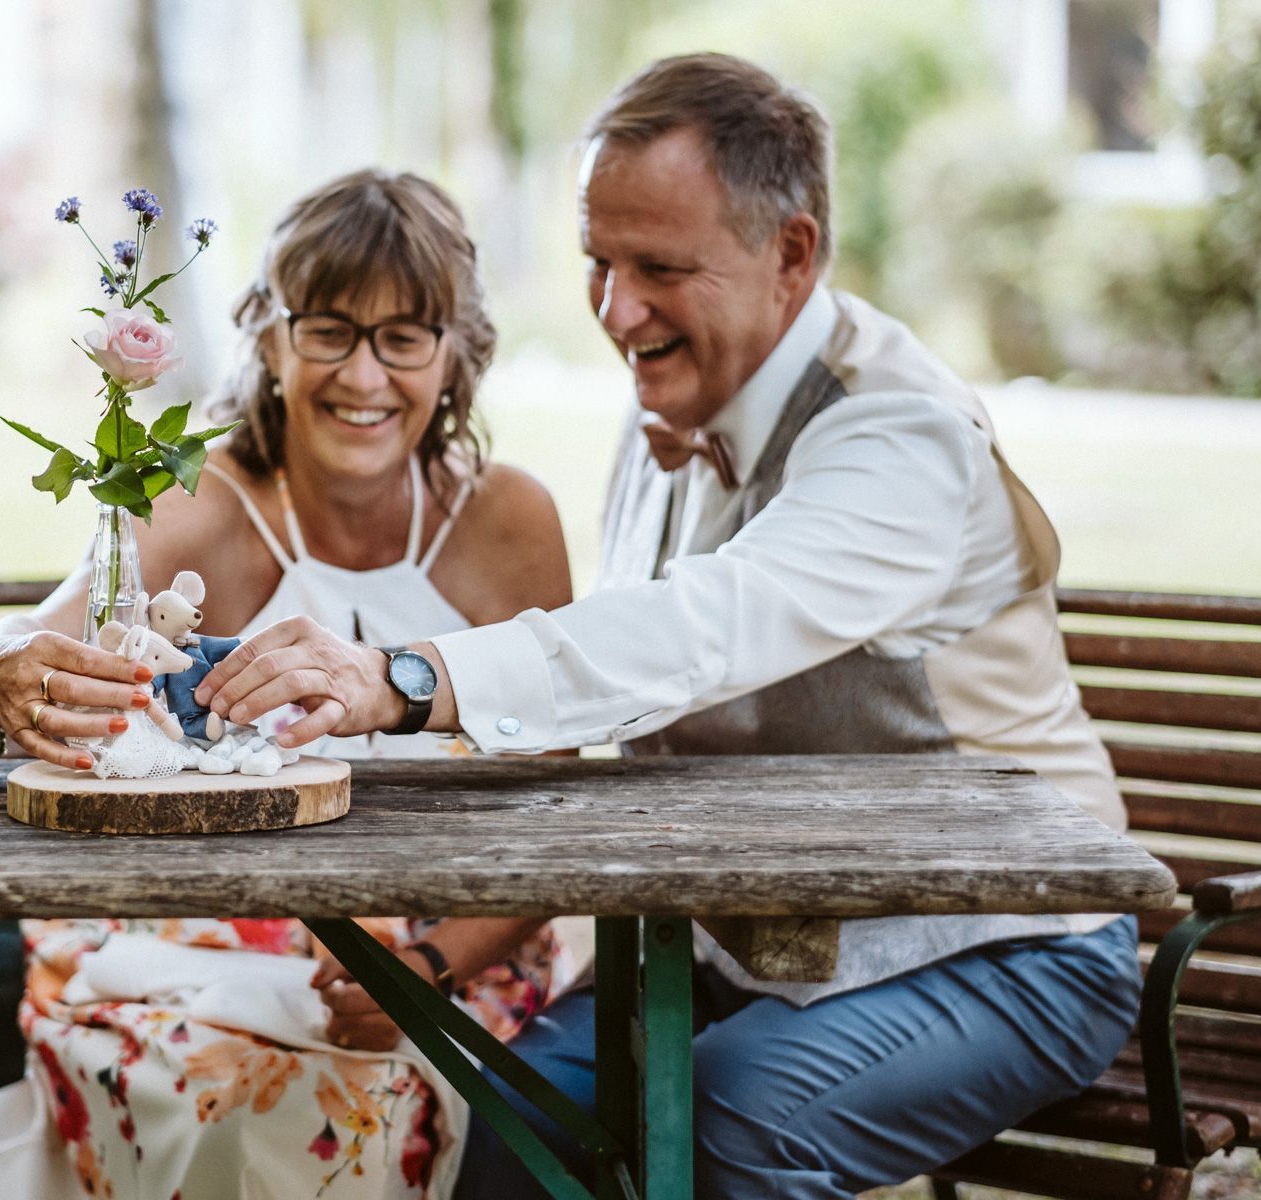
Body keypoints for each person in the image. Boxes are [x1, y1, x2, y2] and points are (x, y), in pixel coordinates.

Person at [195, 55, 1141, 1200]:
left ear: (791, 253)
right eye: (598, 263)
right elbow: (625, 707)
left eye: (658, 268)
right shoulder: (670, 416)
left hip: (999, 940)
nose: (614, 309)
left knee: (737, 1124)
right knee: (513, 1114)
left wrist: (399, 674)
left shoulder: (898, 436)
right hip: (740, 946)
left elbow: (706, 626)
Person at [0, 170, 575, 1199]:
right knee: (224, 1093)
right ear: (269, 338)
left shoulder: (511, 522)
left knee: (368, 1104)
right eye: (328, 329)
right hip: (204, 932)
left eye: (404, 337)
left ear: (456, 354)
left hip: (445, 945)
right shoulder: (206, 501)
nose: (363, 375)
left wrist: (431, 968)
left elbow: (557, 786)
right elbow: (16, 645)